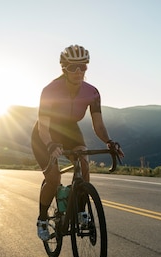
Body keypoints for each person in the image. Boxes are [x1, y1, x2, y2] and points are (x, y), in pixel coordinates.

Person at [32, 44, 123, 241]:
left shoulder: (92, 93)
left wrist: (109, 141)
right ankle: (41, 219)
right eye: (73, 67)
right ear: (63, 67)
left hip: (70, 130)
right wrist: (50, 144)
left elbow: (98, 125)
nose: (79, 71)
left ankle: (82, 211)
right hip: (45, 133)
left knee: (83, 163)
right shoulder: (50, 90)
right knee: (54, 178)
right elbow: (43, 127)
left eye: (83, 66)